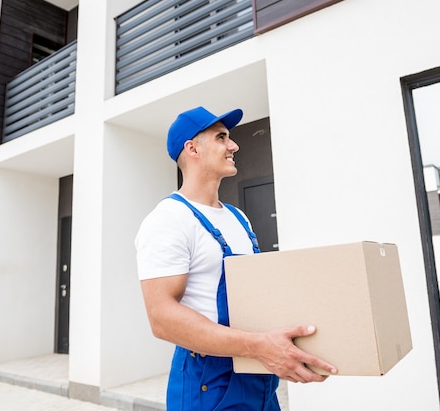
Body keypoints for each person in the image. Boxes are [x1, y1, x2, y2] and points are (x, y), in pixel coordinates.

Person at [135, 106, 337, 410]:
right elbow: (161, 318)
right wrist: (260, 347)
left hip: (258, 374)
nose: (234, 145)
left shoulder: (237, 216)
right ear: (192, 149)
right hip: (210, 382)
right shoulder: (168, 219)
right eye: (221, 138)